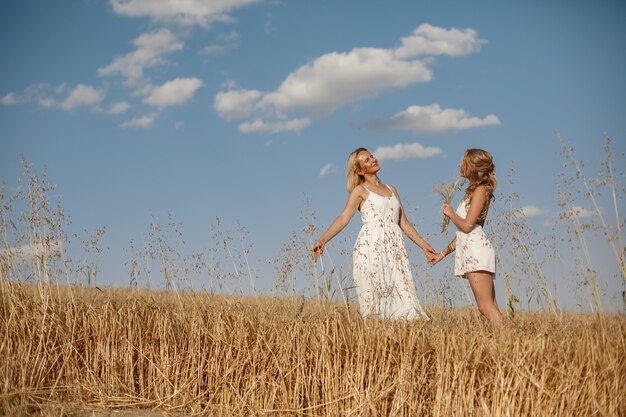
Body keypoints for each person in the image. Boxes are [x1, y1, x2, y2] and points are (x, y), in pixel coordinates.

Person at [312, 147, 435, 320]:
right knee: (376, 294)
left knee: (402, 291)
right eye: (367, 160)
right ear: (360, 170)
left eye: (371, 156)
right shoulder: (360, 191)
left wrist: (424, 247)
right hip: (371, 246)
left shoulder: (392, 189)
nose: (373, 159)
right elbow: (343, 218)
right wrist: (322, 240)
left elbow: (404, 223)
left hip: (395, 247)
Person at [429, 149, 504, 325]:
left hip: (476, 252)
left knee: (486, 307)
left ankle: (510, 342)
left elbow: (467, 225)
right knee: (489, 306)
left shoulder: (481, 190)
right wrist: (442, 254)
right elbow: (465, 232)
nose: (459, 165)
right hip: (473, 248)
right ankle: (508, 341)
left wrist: (451, 213)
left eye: (463, 162)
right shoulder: (474, 191)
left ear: (473, 167)